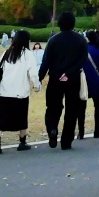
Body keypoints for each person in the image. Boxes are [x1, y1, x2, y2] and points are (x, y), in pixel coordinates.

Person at [38, 11, 89, 150]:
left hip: (55, 77)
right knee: (72, 109)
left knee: (53, 107)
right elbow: (82, 60)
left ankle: (52, 128)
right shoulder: (80, 40)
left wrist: (40, 77)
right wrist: (69, 72)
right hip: (73, 78)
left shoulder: (53, 40)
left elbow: (46, 61)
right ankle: (67, 140)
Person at [0, 29, 40, 154]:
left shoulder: (7, 53)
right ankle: (22, 141)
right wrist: (37, 86)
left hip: (4, 91)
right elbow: (33, 73)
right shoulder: (28, 54)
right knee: (21, 117)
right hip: (21, 92)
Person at [78, 30, 99, 139]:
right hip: (96, 80)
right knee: (98, 105)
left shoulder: (82, 49)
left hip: (83, 80)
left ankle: (81, 132)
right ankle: (97, 129)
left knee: (81, 106)